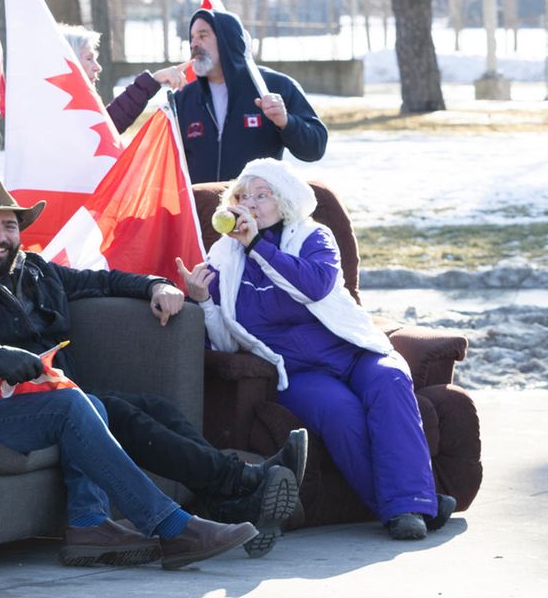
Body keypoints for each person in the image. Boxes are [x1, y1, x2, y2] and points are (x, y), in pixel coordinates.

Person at [0, 170, 259, 570]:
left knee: (87, 403)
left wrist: (154, 284)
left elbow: (100, 280)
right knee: (68, 407)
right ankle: (172, 527)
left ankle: (89, 524)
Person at [0, 181, 307, 558]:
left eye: (9, 226)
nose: (0, 237)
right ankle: (241, 480)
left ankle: (228, 500)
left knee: (156, 408)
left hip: (67, 391)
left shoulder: (35, 270)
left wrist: (157, 286)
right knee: (122, 415)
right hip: (17, 402)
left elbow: (105, 280)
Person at [178, 159, 455, 541]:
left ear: (285, 201)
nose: (252, 203)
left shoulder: (314, 237)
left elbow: (316, 285)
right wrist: (204, 300)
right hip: (298, 370)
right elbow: (226, 342)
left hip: (353, 350)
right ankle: (410, 507)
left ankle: (409, 503)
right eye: (244, 196)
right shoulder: (224, 257)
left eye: (263, 194)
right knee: (340, 412)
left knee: (391, 380)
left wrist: (259, 246)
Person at [172, 9, 327, 183]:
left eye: (202, 35)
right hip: (201, 208)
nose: (194, 44)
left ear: (227, 40)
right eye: (192, 37)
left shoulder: (274, 87)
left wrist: (286, 122)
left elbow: (315, 148)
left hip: (256, 207)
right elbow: (166, 163)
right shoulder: (184, 98)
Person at [60, 24, 187, 133]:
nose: (97, 67)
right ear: (70, 60)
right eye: (89, 59)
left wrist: (155, 79)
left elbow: (109, 126)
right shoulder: (58, 116)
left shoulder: (75, 108)